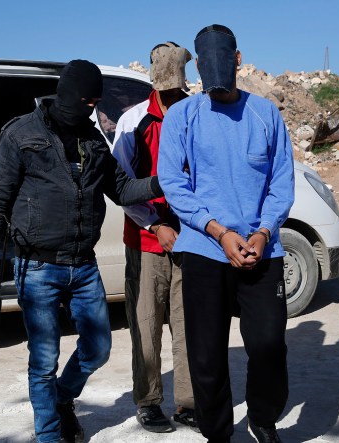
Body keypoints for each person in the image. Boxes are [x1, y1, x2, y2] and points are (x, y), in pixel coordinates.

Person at [0, 59, 162, 443]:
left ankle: (61, 398)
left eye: (96, 101)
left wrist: (165, 183)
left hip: (83, 265)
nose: (91, 107)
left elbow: (122, 189)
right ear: (66, 95)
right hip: (37, 266)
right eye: (86, 100)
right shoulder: (20, 134)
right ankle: (48, 435)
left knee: (98, 348)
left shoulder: (93, 140)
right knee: (43, 360)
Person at [157, 25, 294, 443]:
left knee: (269, 347)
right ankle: (217, 432)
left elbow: (281, 182)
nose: (216, 66)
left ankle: (263, 419)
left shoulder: (265, 113)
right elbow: (172, 182)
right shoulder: (183, 115)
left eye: (224, 57)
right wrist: (218, 232)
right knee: (207, 355)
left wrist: (264, 231)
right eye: (206, 60)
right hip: (204, 250)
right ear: (197, 66)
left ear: (238, 59)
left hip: (261, 251)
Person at [111, 42, 197, 433]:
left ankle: (189, 403)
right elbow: (121, 186)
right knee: (146, 324)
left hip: (194, 238)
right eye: (165, 89)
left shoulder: (197, 115)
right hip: (147, 241)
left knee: (189, 324)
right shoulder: (133, 122)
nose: (171, 96)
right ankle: (147, 401)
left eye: (177, 88)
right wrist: (154, 225)